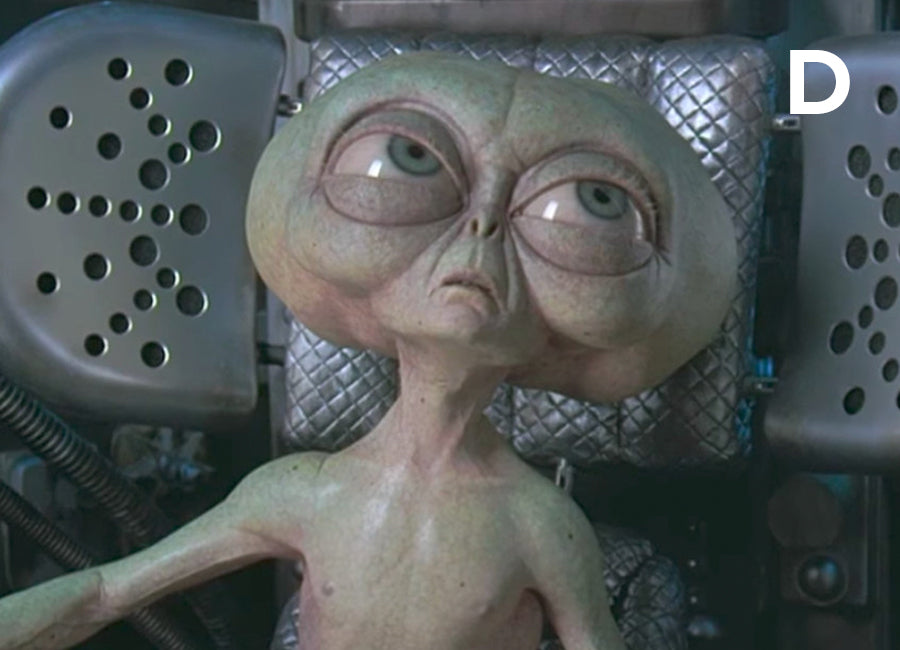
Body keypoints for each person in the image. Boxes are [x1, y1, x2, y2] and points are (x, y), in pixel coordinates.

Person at [0, 53, 735, 650]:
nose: (480, 231)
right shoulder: (302, 493)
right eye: (412, 160)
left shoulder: (541, 526)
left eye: (585, 205)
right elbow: (104, 592)